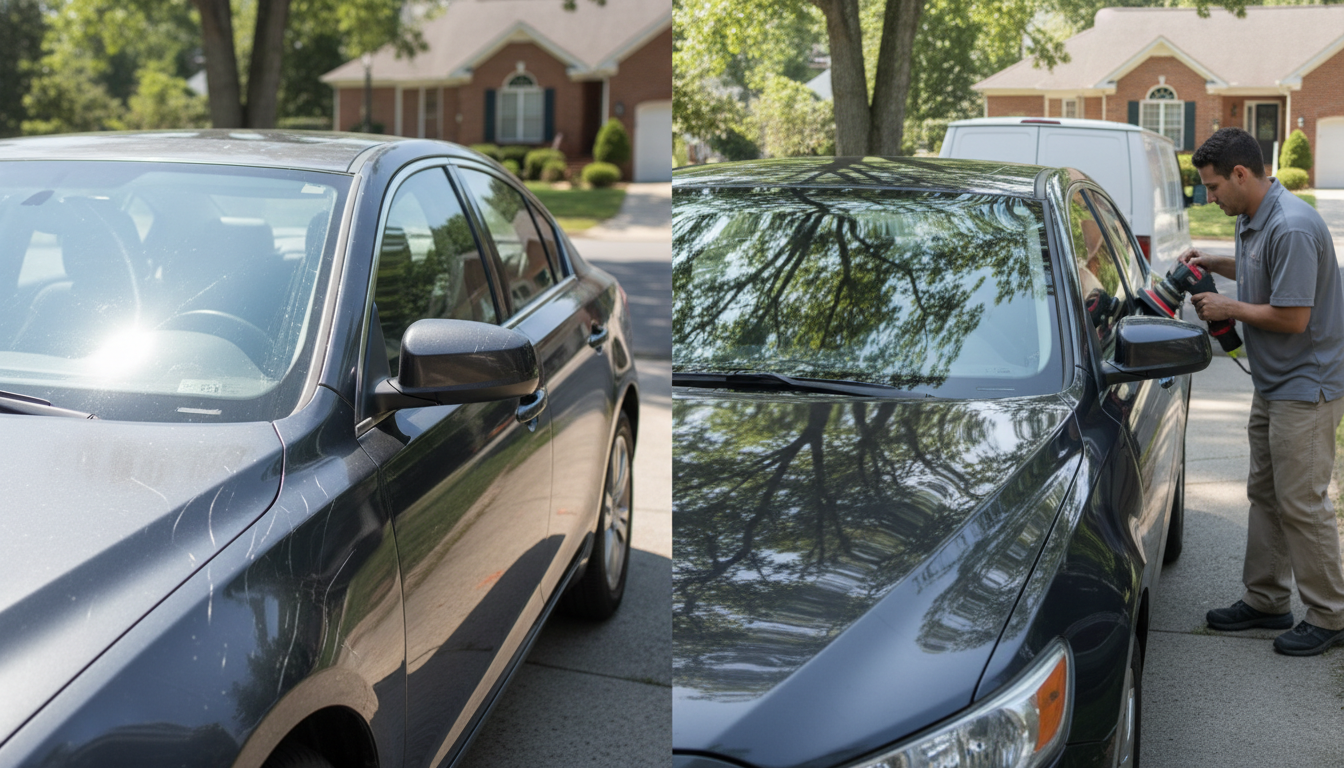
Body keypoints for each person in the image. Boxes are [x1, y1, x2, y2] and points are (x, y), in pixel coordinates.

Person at [1180, 127, 1344, 656]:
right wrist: (1213, 263)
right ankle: (1267, 599)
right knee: (1266, 494)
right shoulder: (1252, 220)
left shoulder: (1291, 226)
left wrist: (1227, 308)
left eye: (1212, 187)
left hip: (1307, 386)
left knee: (1301, 502)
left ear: (1241, 175)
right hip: (1275, 384)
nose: (1210, 197)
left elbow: (1294, 317)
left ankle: (1332, 616)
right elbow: (1259, 272)